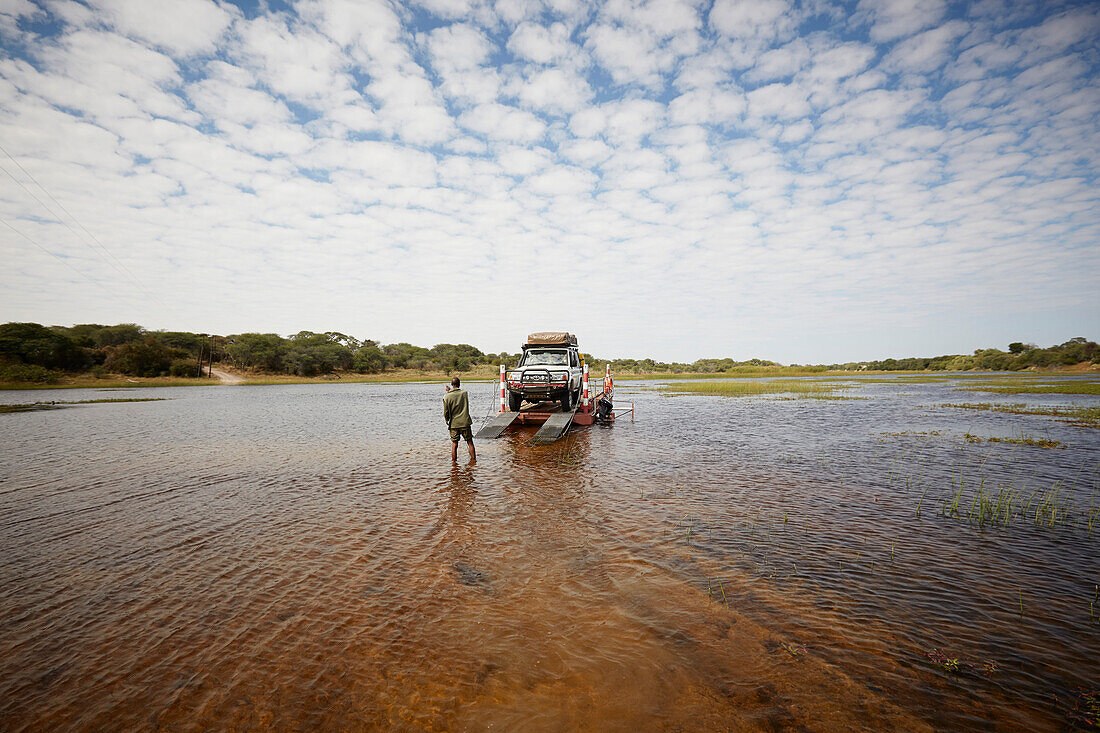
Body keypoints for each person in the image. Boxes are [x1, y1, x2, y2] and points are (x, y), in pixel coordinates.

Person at [443, 377, 476, 463]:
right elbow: (458, 394)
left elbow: (446, 412)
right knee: (470, 442)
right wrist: (450, 391)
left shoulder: (446, 396)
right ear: (459, 384)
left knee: (455, 444)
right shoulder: (464, 393)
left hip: (454, 424)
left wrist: (447, 421)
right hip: (465, 422)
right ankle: (474, 462)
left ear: (451, 384)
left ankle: (454, 464)